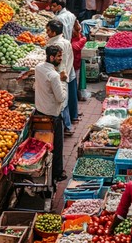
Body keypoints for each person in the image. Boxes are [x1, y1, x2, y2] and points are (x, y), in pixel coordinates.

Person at [32, 45, 68, 182]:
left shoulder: (39, 67)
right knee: (57, 146)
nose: (61, 59)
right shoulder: (53, 76)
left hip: (40, 110)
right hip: (53, 115)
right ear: (51, 57)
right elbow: (61, 98)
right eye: (59, 56)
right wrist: (63, 82)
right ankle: (57, 173)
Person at [46, 20, 76, 135]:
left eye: (48, 30)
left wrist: (59, 75)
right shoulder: (65, 41)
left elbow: (60, 64)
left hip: (59, 76)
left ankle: (65, 128)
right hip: (64, 74)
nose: (47, 32)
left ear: (54, 32)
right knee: (64, 101)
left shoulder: (57, 45)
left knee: (60, 103)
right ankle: (67, 126)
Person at [71, 21, 87, 103]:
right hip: (74, 64)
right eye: (79, 31)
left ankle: (76, 96)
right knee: (75, 82)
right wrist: (84, 38)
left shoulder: (75, 39)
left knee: (75, 82)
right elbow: (77, 46)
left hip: (76, 63)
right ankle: (75, 98)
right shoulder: (75, 43)